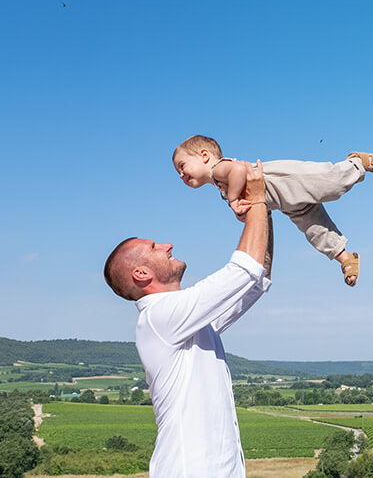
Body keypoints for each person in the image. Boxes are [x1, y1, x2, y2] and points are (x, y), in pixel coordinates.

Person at [103, 160, 271, 477]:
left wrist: (265, 211)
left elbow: (254, 279)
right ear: (141, 273)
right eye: (155, 247)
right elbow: (243, 269)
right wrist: (258, 200)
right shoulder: (161, 316)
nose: (167, 245)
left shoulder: (186, 320)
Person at [172, 134, 373, 287]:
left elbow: (238, 170)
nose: (181, 175)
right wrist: (239, 210)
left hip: (282, 181)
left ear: (204, 155)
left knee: (332, 184)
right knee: (316, 230)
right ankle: (346, 258)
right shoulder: (220, 185)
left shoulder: (218, 168)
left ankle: (356, 163)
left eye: (182, 166)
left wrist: (233, 199)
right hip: (284, 203)